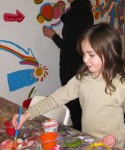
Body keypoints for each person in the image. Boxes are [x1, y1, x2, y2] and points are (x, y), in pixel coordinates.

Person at [12, 23, 125, 148]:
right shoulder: (82, 79)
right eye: (84, 54)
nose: (85, 60)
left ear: (109, 53)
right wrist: (27, 114)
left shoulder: (121, 85)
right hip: (88, 142)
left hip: (113, 146)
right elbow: (54, 99)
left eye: (91, 55)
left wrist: (117, 136)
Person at [42, 0, 94, 131]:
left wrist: (53, 35)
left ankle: (79, 133)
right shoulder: (86, 11)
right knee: (80, 103)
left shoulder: (74, 12)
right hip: (81, 64)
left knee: (73, 104)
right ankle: (84, 132)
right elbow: (77, 30)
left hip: (70, 64)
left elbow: (68, 45)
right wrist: (63, 13)